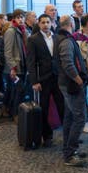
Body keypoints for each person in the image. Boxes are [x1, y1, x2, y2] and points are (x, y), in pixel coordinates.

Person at [55, 15, 88, 167]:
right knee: (79, 117)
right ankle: (70, 153)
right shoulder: (67, 41)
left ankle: (68, 149)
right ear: (71, 24)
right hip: (71, 84)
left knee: (69, 117)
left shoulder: (60, 38)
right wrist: (78, 79)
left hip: (66, 83)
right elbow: (68, 63)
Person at [27, 13, 64, 148]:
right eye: (42, 22)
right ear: (38, 24)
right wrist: (34, 81)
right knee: (44, 108)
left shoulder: (57, 38)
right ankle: (47, 136)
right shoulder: (33, 39)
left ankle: (68, 135)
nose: (45, 25)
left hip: (58, 78)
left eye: (47, 22)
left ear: (51, 23)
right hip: (43, 79)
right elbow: (30, 62)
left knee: (63, 107)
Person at [4, 9, 28, 118]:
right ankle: (15, 114)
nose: (21, 19)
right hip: (15, 66)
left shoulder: (23, 30)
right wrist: (12, 67)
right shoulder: (10, 31)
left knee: (18, 90)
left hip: (23, 65)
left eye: (22, 17)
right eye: (18, 17)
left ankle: (11, 111)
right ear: (14, 19)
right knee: (19, 90)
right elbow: (8, 51)